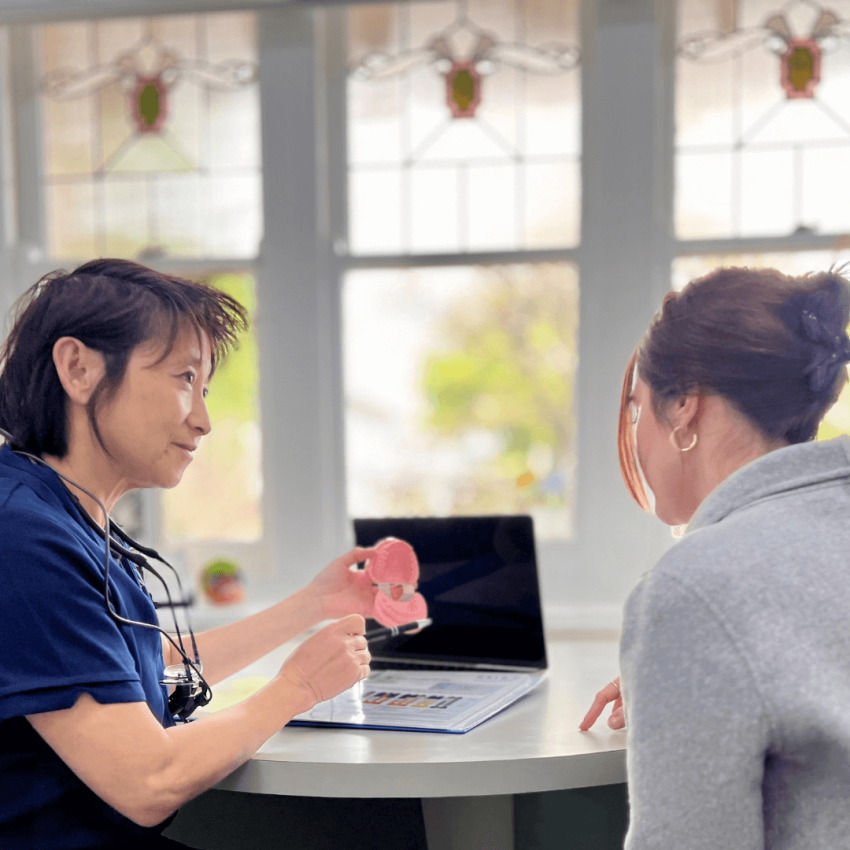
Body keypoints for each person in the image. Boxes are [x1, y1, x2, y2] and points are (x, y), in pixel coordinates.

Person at [0, 259, 378, 848]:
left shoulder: (57, 514)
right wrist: (297, 686)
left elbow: (147, 666)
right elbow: (148, 780)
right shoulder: (21, 539)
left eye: (205, 390)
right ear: (79, 369)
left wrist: (314, 604)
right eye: (183, 379)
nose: (203, 421)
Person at [579, 266, 850, 848]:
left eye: (636, 408)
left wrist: (694, 637)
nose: (635, 433)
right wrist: (701, 680)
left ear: (682, 408)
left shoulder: (695, 589)